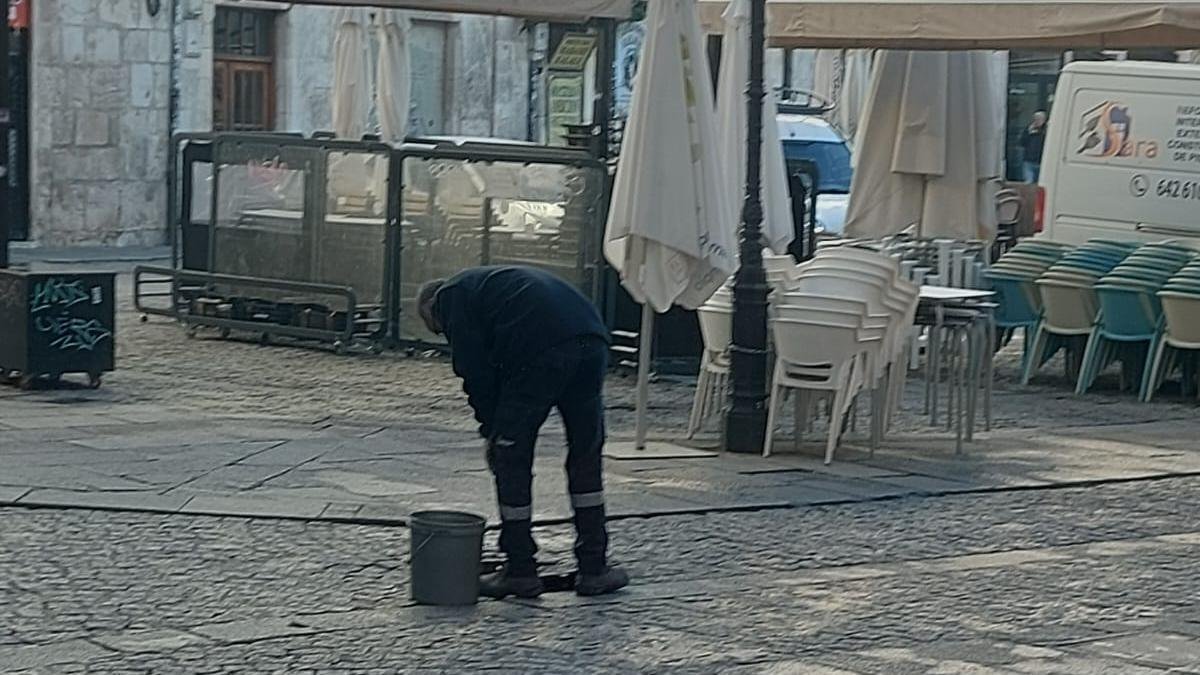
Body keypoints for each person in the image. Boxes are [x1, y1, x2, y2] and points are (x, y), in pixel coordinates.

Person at [417, 266, 629, 599]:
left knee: (511, 456)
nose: (445, 334)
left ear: (431, 307)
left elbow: (474, 370)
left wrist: (493, 432)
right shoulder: (494, 287)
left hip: (541, 347)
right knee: (585, 455)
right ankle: (595, 568)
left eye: (439, 329)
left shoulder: (449, 296)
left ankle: (519, 570)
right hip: (592, 341)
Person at [1020, 111, 1048, 183]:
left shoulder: (1047, 130)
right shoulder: (1029, 129)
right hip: (1029, 161)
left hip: (1041, 161)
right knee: (1029, 182)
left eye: (1039, 119)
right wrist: (1028, 132)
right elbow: (1022, 143)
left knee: (1041, 182)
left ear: (1044, 120)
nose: (1037, 121)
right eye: (1035, 119)